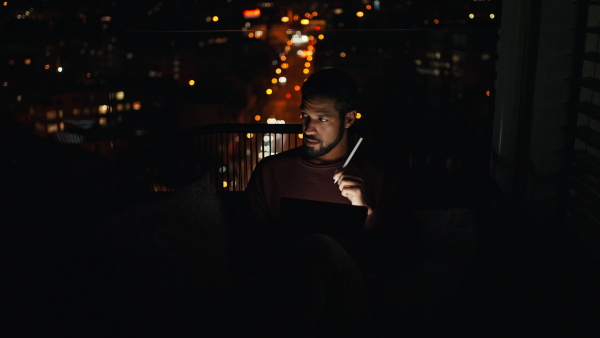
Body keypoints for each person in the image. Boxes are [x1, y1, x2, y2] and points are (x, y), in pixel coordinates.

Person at [238, 68, 417, 337]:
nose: (309, 128)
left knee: (320, 247)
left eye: (322, 118)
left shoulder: (377, 175)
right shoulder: (271, 171)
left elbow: (403, 255)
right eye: (305, 116)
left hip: (355, 298)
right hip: (285, 288)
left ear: (348, 119)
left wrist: (367, 210)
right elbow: (245, 249)